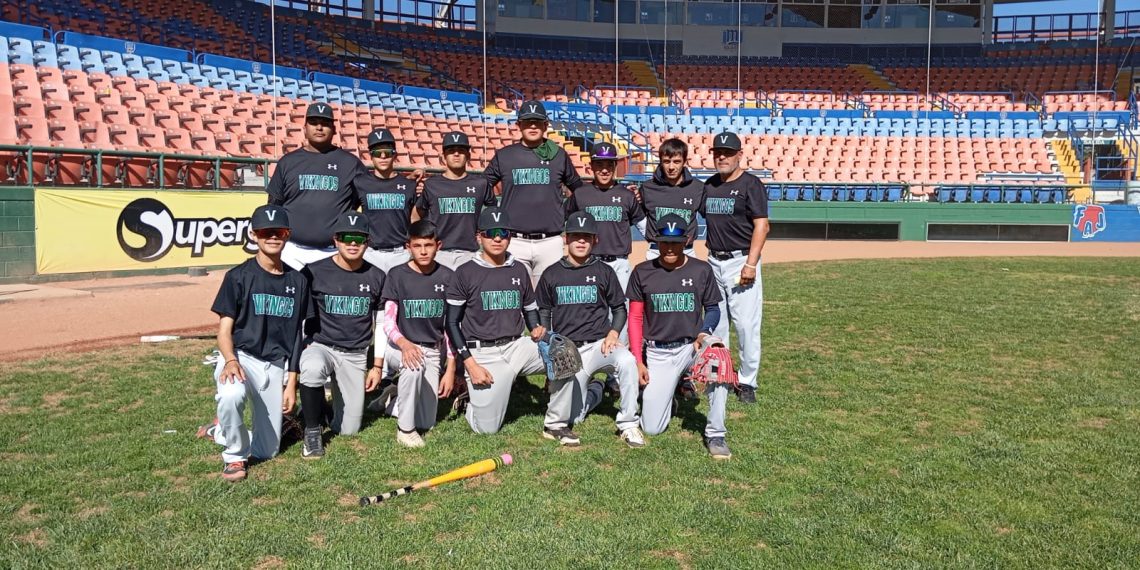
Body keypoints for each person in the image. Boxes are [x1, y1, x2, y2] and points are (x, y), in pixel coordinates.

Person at [209, 205, 309, 481]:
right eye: (266, 232)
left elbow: (297, 336)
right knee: (231, 395)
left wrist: (291, 383)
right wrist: (230, 360)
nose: (273, 237)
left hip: (275, 364)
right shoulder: (238, 276)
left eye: (279, 232)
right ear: (254, 235)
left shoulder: (298, 280)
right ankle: (234, 457)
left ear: (288, 235)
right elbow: (224, 330)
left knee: (268, 451)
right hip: (241, 357)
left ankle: (219, 430)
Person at [627, 214, 732, 459]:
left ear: (686, 241)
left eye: (676, 242)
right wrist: (638, 361)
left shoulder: (701, 269)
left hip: (692, 346)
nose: (670, 248)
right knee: (652, 428)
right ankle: (670, 396)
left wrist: (705, 332)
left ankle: (716, 433)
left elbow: (713, 309)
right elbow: (635, 318)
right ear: (656, 241)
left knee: (719, 361)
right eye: (665, 242)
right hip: (659, 352)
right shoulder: (643, 271)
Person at [536, 211, 645, 448]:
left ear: (595, 240)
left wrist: (614, 333)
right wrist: (549, 345)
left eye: (586, 236)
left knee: (627, 361)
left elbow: (619, 309)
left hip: (599, 345)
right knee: (575, 417)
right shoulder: (551, 273)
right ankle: (596, 388)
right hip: (569, 350)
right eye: (576, 236)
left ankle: (628, 423)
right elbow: (544, 312)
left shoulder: (604, 271)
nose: (581, 241)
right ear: (566, 238)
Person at [445, 207, 550, 437]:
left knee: (564, 356)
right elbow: (451, 323)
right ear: (479, 237)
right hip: (483, 354)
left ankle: (556, 421)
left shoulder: (519, 269)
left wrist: (535, 328)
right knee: (487, 429)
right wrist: (470, 365)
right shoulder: (464, 272)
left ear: (510, 237)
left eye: (503, 232)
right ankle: (468, 401)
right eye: (490, 233)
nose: (497, 238)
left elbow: (530, 310)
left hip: (517, 346)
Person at [296, 213, 386, 459]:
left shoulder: (377, 275)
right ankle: (312, 431)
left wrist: (377, 366)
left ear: (367, 242)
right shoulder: (313, 271)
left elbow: (381, 323)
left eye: (359, 238)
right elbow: (298, 317)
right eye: (346, 237)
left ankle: (318, 407)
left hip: (355, 353)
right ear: (335, 240)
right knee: (312, 368)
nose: (353, 243)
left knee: (348, 429)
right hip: (321, 345)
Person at [700, 132, 770, 405]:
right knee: (717, 323)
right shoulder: (709, 185)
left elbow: (762, 225)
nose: (722, 157)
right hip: (714, 261)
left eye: (728, 152)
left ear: (739, 155)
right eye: (718, 152)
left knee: (745, 326)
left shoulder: (751, 184)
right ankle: (722, 375)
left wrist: (751, 263)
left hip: (740, 261)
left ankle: (747, 381)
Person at [485, 100, 583, 285]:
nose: (532, 126)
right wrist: (493, 210)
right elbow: (482, 186)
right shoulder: (505, 155)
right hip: (514, 241)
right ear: (518, 125)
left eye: (537, 122)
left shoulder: (558, 155)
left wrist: (564, 213)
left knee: (549, 298)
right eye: (527, 121)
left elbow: (579, 190)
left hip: (550, 242)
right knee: (514, 296)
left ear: (545, 125)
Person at [381, 220, 457, 448]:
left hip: (432, 350)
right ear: (408, 247)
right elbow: (388, 322)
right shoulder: (396, 274)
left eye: (428, 245)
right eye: (417, 246)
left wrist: (450, 369)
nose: (423, 251)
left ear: (438, 245)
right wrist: (405, 344)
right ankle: (405, 431)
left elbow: (451, 325)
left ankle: (393, 400)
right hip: (400, 346)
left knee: (427, 421)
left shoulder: (448, 277)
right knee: (413, 366)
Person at [266, 102, 366, 270]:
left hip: (333, 252)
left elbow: (368, 196)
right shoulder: (288, 162)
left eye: (325, 123)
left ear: (334, 129)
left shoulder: (350, 163)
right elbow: (274, 206)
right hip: (292, 251)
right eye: (313, 122)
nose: (319, 127)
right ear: (305, 128)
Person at [416, 131, 496, 270]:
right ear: (444, 156)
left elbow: (493, 213)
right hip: (439, 253)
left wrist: (484, 232)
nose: (456, 154)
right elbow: (416, 215)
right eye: (451, 150)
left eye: (461, 150)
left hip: (470, 252)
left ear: (468, 155)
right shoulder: (431, 184)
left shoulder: (480, 184)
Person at [356, 128, 421, 274]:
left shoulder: (409, 185)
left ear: (395, 154)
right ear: (370, 155)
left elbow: (414, 219)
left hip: (401, 253)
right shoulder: (360, 183)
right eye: (377, 153)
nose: (383, 156)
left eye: (388, 152)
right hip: (370, 253)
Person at [637, 138, 704, 261]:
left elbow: (713, 217)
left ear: (685, 162)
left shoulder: (698, 188)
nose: (671, 167)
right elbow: (636, 216)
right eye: (667, 161)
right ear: (661, 162)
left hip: (687, 251)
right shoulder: (647, 188)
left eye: (677, 161)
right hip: (656, 251)